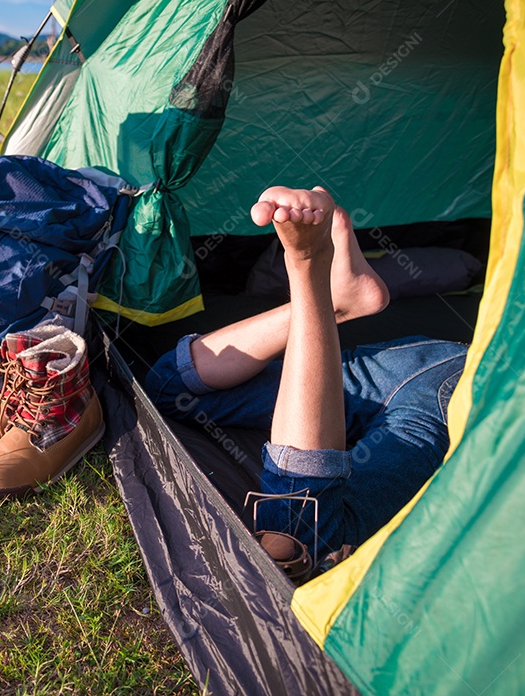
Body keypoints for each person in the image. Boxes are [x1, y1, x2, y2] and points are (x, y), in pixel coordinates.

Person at [145, 186, 468, 579]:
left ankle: (334, 297)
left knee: (170, 390)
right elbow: (298, 539)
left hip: (445, 365)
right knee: (299, 536)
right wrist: (306, 262)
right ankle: (313, 274)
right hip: (459, 368)